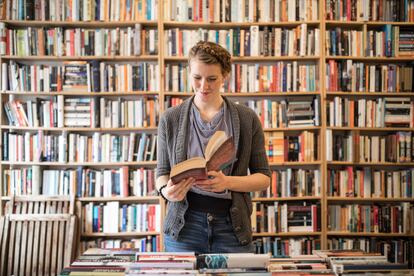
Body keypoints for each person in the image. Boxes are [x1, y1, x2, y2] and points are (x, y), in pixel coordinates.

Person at [156, 41, 271, 254]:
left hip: (231, 226)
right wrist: (166, 192)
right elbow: (162, 172)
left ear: (225, 76)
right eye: (197, 78)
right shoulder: (170, 119)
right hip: (184, 228)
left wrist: (227, 182)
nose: (203, 87)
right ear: (189, 73)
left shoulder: (247, 119)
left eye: (212, 79)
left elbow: (263, 177)